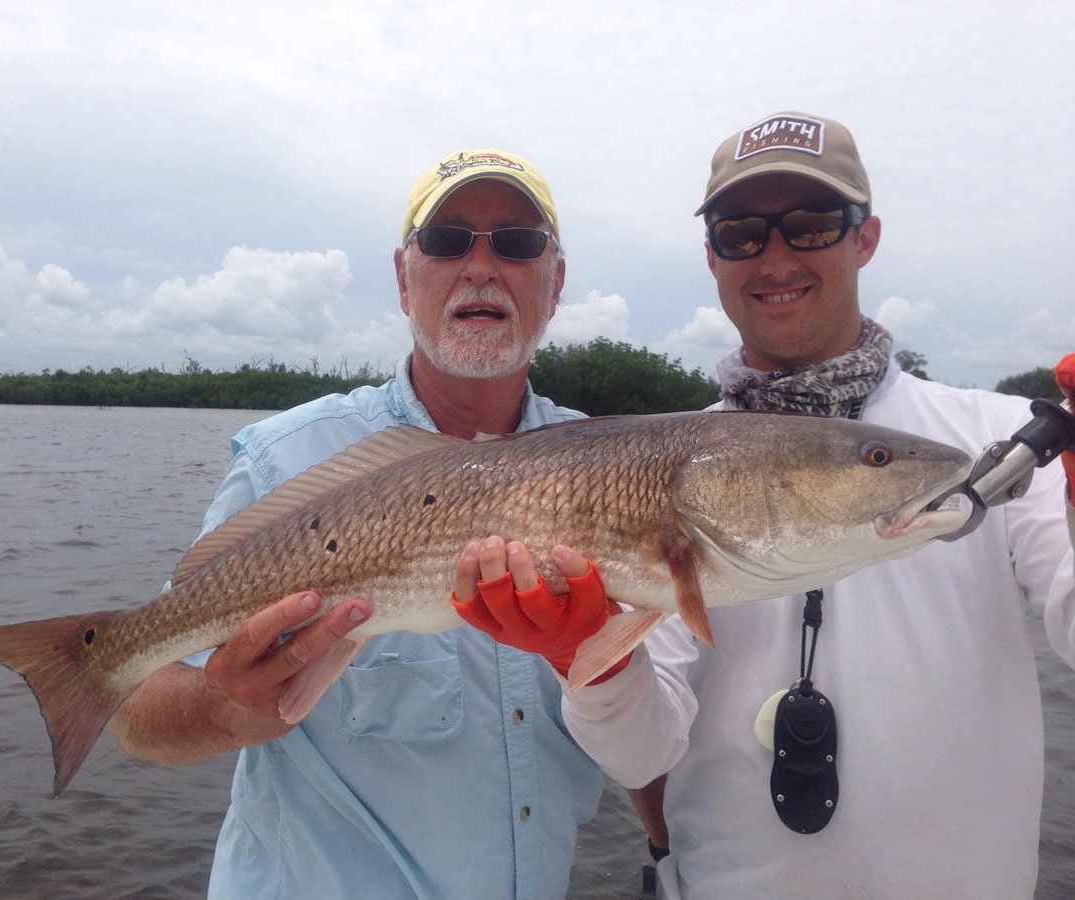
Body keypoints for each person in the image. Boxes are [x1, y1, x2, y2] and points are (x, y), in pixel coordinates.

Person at [458, 113, 1075, 898]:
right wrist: (590, 658)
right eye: (742, 232)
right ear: (712, 255)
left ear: (866, 237)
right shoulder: (659, 472)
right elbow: (642, 754)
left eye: (813, 225)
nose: (776, 256)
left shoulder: (994, 445)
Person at [107, 148, 613, 899]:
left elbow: (649, 713)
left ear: (556, 280)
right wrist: (223, 707)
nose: (480, 265)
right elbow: (135, 710)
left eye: (517, 241)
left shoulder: (619, 471)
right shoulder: (289, 461)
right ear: (405, 279)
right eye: (444, 241)